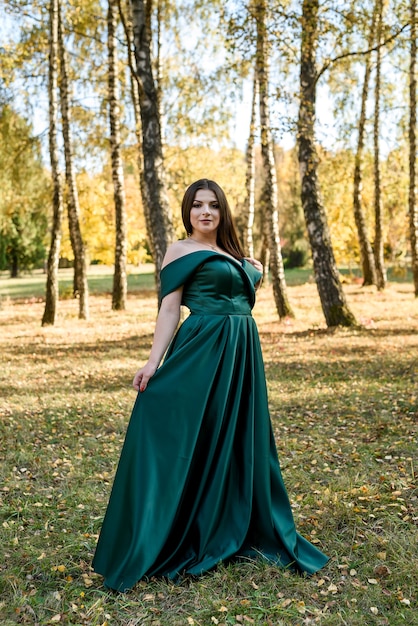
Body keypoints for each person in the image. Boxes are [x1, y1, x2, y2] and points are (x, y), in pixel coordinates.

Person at [92, 179, 329, 592]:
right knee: (193, 434)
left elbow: (242, 294)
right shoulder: (180, 250)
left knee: (236, 435)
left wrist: (249, 266)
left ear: (223, 212)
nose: (205, 212)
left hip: (241, 354)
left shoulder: (235, 254)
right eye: (197, 205)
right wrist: (153, 362)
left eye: (213, 205)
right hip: (201, 349)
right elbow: (169, 307)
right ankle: (173, 528)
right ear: (187, 211)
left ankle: (233, 520)